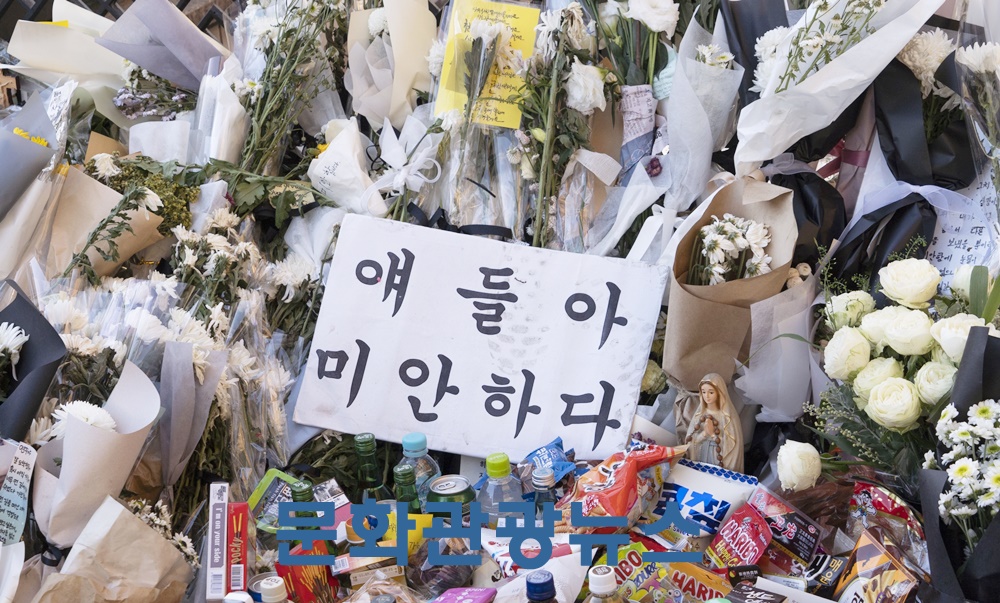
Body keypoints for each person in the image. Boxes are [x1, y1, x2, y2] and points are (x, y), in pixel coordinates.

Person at [684, 373, 744, 473]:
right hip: (701, 457)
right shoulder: (699, 415)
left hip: (717, 460)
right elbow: (691, 441)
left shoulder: (728, 418)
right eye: (703, 392)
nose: (706, 396)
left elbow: (732, 449)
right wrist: (704, 434)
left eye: (711, 392)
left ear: (719, 392)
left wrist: (712, 434)